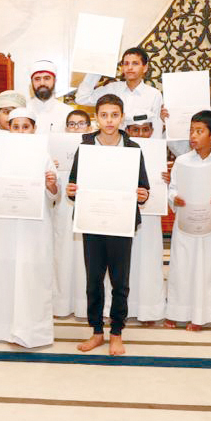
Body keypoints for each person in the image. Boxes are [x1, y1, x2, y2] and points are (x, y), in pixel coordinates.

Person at [67, 95, 150, 355]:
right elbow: (72, 187)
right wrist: (71, 191)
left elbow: (144, 187)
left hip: (120, 221)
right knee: (93, 280)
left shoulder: (133, 148)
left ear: (121, 117)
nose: (109, 120)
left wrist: (143, 194)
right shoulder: (86, 147)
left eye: (114, 115)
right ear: (97, 118)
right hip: (92, 221)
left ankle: (116, 332)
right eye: (104, 115)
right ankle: (96, 332)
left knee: (119, 280)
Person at [0, 108, 59, 348]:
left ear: (34, 129)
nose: (21, 131)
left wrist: (52, 184)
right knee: (3, 272)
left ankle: (33, 331)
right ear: (9, 129)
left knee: (31, 275)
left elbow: (55, 195)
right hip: (4, 225)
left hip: (34, 227)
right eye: (16, 127)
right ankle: (0, 329)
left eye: (26, 126)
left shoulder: (44, 155)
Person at [165, 110, 211, 331]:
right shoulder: (182, 161)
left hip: (209, 225)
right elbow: (173, 188)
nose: (193, 136)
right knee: (181, 266)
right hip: (185, 224)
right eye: (191, 131)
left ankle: (200, 316)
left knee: (206, 268)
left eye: (199, 131)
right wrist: (174, 197)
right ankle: (176, 312)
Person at [124, 111, 168, 325]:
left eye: (145, 129)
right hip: (125, 216)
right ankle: (124, 308)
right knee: (125, 262)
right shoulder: (120, 151)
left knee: (150, 260)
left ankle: (149, 310)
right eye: (135, 130)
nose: (141, 134)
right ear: (128, 131)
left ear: (152, 131)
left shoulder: (159, 151)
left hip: (151, 217)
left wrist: (169, 178)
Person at [75, 47, 163, 137]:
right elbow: (82, 98)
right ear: (122, 68)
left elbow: (156, 129)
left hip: (142, 147)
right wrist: (97, 68)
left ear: (145, 68)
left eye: (135, 63)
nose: (130, 67)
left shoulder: (154, 95)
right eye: (126, 64)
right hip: (114, 146)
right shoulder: (112, 89)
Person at [52, 109, 90, 319]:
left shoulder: (95, 148)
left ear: (89, 127)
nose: (76, 128)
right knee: (63, 255)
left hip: (86, 208)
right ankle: (61, 304)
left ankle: (86, 305)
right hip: (63, 210)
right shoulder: (55, 149)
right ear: (66, 128)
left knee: (85, 257)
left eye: (81, 124)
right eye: (72, 124)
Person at [26, 60, 73, 134]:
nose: (42, 83)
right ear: (32, 82)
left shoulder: (68, 112)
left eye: (47, 78)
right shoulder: (24, 109)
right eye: (37, 79)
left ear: (55, 81)